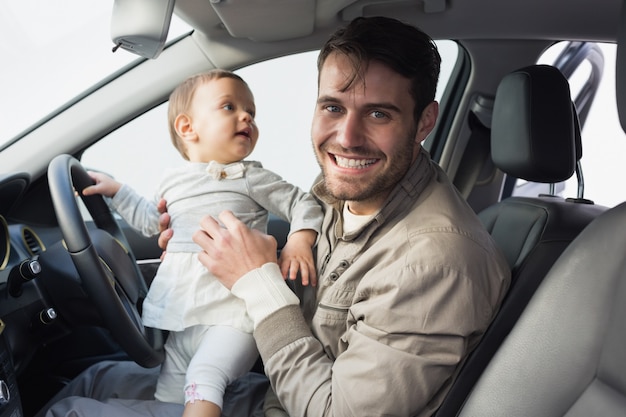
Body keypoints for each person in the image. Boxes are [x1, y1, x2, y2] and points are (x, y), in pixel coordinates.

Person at [37, 16, 510, 417]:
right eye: (332, 107)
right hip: (279, 387)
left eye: (379, 115)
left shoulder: (433, 261)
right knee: (96, 378)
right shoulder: (347, 192)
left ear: (425, 122)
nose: (347, 137)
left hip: (296, 404)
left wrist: (256, 280)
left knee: (69, 413)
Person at [79, 69, 323, 417]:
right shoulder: (172, 182)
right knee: (169, 394)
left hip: (235, 314)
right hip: (184, 316)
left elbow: (304, 202)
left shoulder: (250, 177)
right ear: (187, 127)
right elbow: (152, 222)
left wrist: (299, 240)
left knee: (204, 376)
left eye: (251, 112)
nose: (246, 117)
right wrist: (117, 191)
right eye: (229, 107)